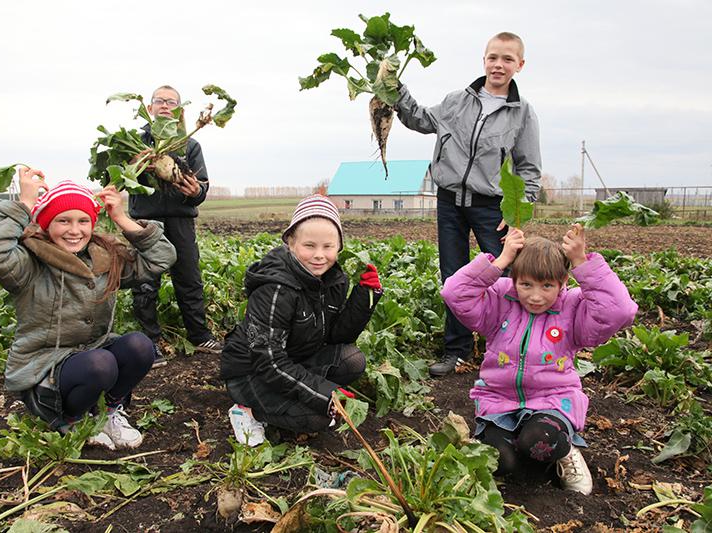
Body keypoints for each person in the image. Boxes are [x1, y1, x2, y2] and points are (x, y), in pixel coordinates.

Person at [0, 168, 176, 450]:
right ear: (47, 224)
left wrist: (122, 218)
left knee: (140, 346)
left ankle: (110, 411)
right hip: (46, 367)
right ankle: (71, 420)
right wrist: (25, 204)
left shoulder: (104, 258)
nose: (74, 230)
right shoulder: (29, 264)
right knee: (101, 364)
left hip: (91, 355)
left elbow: (162, 258)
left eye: (83, 221)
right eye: (63, 220)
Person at [441, 223, 637, 494]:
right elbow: (454, 293)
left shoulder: (573, 308)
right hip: (499, 403)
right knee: (502, 463)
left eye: (547, 286)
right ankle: (514, 444)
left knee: (537, 442)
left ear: (563, 282)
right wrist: (501, 260)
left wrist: (581, 261)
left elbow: (620, 311)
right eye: (526, 284)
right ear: (514, 280)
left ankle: (567, 450)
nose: (535, 296)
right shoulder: (499, 299)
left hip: (552, 401)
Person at [394, 32, 542, 376]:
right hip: (449, 203)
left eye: (507, 59)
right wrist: (395, 89)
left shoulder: (522, 113)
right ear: (484, 60)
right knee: (454, 277)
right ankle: (457, 350)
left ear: (519, 65)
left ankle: (507, 347)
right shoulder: (455, 101)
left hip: (492, 207)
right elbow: (419, 118)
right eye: (493, 57)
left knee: (505, 275)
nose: (498, 65)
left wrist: (518, 214)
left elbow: (529, 169)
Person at [219, 195, 383, 445]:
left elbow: (337, 337)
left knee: (352, 360)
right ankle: (248, 411)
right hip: (253, 373)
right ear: (291, 244)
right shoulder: (275, 289)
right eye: (309, 246)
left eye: (328, 246)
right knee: (317, 420)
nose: (319, 255)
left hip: (294, 360)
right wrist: (324, 394)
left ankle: (292, 400)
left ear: (339, 246)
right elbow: (269, 361)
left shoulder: (334, 279)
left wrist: (365, 296)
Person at [128, 84, 222, 366]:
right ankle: (150, 341)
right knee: (145, 281)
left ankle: (199, 335)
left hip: (181, 221)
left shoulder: (191, 144)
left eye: (172, 102)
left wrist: (195, 192)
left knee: (189, 279)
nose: (165, 106)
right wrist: (138, 164)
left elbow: (202, 188)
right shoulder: (135, 142)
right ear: (150, 107)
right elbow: (123, 178)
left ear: (180, 110)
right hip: (147, 220)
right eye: (160, 101)